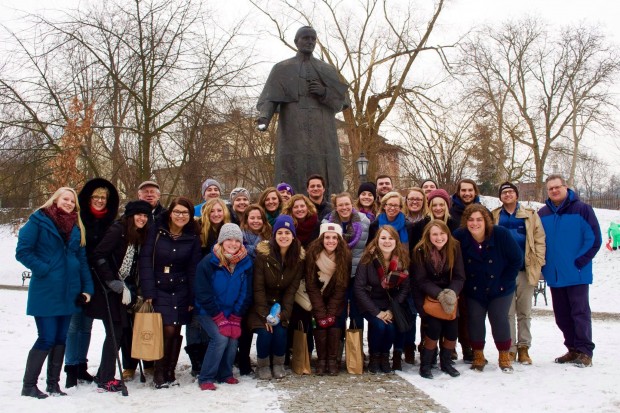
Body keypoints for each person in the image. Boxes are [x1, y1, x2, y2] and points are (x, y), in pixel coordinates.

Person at [16, 187, 94, 398]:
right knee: (46, 338)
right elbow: (23, 251)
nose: (69, 203)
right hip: (46, 290)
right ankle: (29, 385)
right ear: (55, 200)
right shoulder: (38, 220)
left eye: (72, 201)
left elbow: (82, 260)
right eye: (65, 199)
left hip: (70, 291)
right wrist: (45, 269)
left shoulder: (77, 225)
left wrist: (87, 288)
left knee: (61, 338)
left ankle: (53, 384)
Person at [256, 26, 348, 196]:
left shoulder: (327, 70)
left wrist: (324, 92)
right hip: (293, 127)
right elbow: (270, 97)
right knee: (292, 167)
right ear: (296, 41)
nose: (310, 42)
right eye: (306, 38)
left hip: (323, 131)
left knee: (324, 169)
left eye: (313, 39)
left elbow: (341, 103)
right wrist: (264, 118)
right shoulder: (282, 68)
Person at [538, 174, 602, 367]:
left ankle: (585, 351)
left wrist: (580, 262)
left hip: (576, 273)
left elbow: (594, 239)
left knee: (580, 313)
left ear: (566, 187)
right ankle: (572, 348)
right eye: (551, 188)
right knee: (562, 315)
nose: (554, 191)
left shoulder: (583, 210)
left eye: (558, 187)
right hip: (555, 275)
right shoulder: (543, 214)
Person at [88, 200, 151, 392]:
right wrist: (111, 281)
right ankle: (106, 378)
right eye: (139, 215)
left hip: (124, 289)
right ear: (130, 216)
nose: (142, 218)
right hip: (108, 291)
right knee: (115, 333)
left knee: (119, 331)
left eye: (145, 215)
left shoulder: (136, 234)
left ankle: (103, 373)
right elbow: (98, 255)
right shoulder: (118, 230)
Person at [140, 197, 201, 388]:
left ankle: (170, 372)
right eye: (177, 212)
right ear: (170, 212)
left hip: (181, 287)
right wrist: (148, 290)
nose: (180, 216)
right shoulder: (156, 231)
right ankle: (159, 372)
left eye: (185, 213)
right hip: (159, 287)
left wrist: (192, 296)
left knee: (176, 329)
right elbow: (145, 261)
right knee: (166, 328)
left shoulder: (192, 236)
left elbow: (193, 268)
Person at [453, 204, 522, 373]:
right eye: (470, 220)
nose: (474, 223)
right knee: (475, 319)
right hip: (474, 288)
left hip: (500, 286)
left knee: (498, 317)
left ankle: (504, 355)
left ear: (486, 221)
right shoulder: (460, 236)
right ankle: (478, 355)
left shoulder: (500, 234)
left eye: (479, 219)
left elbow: (516, 260)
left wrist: (504, 282)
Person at [64, 178, 119, 388]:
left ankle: (81, 365)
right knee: (74, 324)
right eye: (95, 197)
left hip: (98, 279)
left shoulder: (110, 222)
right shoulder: (78, 220)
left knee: (86, 325)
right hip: (78, 276)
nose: (99, 200)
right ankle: (70, 366)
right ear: (88, 198)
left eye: (103, 197)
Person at [491, 182, 546, 365]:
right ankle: (510, 348)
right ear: (500, 196)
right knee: (507, 312)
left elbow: (539, 240)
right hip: (503, 271)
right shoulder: (494, 216)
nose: (507, 195)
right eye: (504, 192)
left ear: (516, 194)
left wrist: (538, 264)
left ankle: (524, 347)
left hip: (525, 269)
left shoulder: (529, 215)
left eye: (510, 192)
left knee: (524, 311)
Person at [194, 224, 253, 390]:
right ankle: (206, 376)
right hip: (208, 311)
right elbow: (203, 292)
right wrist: (218, 317)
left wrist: (235, 316)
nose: (233, 244)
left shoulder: (246, 262)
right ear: (221, 241)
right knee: (220, 338)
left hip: (231, 312)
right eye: (229, 239)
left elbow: (245, 292)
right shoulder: (209, 261)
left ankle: (225, 373)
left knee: (233, 337)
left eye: (237, 240)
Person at [248, 215, 305, 380]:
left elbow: (291, 290)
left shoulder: (298, 260)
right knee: (266, 332)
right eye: (280, 232)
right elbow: (257, 288)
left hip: (281, 305)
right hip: (261, 305)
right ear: (274, 235)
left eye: (287, 233)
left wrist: (284, 314)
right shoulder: (263, 256)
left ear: (293, 236)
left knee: (280, 331)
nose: (283, 236)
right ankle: (263, 365)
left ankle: (279, 363)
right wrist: (265, 315)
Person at [412, 220, 465, 379]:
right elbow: (421, 280)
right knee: (433, 329)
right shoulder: (420, 250)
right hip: (430, 296)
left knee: (452, 330)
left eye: (442, 233)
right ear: (428, 236)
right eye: (434, 234)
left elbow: (459, 276)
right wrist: (439, 294)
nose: (439, 237)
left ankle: (446, 362)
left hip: (450, 296)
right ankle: (426, 363)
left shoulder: (454, 248)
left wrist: (451, 293)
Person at [354, 225, 410, 374]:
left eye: (391, 238)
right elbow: (359, 288)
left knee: (390, 326)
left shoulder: (402, 260)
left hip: (391, 304)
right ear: (377, 240)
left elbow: (405, 288)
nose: (387, 241)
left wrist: (391, 310)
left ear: (396, 241)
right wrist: (376, 312)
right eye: (383, 238)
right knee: (379, 325)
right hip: (370, 302)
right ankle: (374, 356)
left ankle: (384, 356)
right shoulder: (367, 259)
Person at [185, 197, 231, 377]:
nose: (216, 214)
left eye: (219, 210)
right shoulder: (198, 231)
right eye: (212, 211)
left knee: (212, 323)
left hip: (220, 284)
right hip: (198, 279)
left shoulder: (228, 230)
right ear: (206, 213)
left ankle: (211, 360)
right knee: (196, 322)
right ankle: (197, 362)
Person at [322, 193, 370, 345]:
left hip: (357, 273)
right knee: (339, 313)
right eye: (340, 205)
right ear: (335, 207)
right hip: (337, 274)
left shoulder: (364, 221)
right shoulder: (326, 222)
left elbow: (369, 247)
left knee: (357, 313)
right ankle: (338, 347)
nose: (344, 208)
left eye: (347, 204)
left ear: (352, 204)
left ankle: (356, 350)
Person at [305, 223, 351, 375]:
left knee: (335, 322)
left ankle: (332, 360)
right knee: (319, 322)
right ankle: (321, 359)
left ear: (339, 240)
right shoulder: (312, 254)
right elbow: (311, 285)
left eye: (334, 238)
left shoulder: (344, 256)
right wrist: (321, 311)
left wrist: (330, 312)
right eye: (327, 237)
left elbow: (341, 286)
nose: (330, 241)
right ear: (321, 238)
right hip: (317, 298)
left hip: (335, 300)